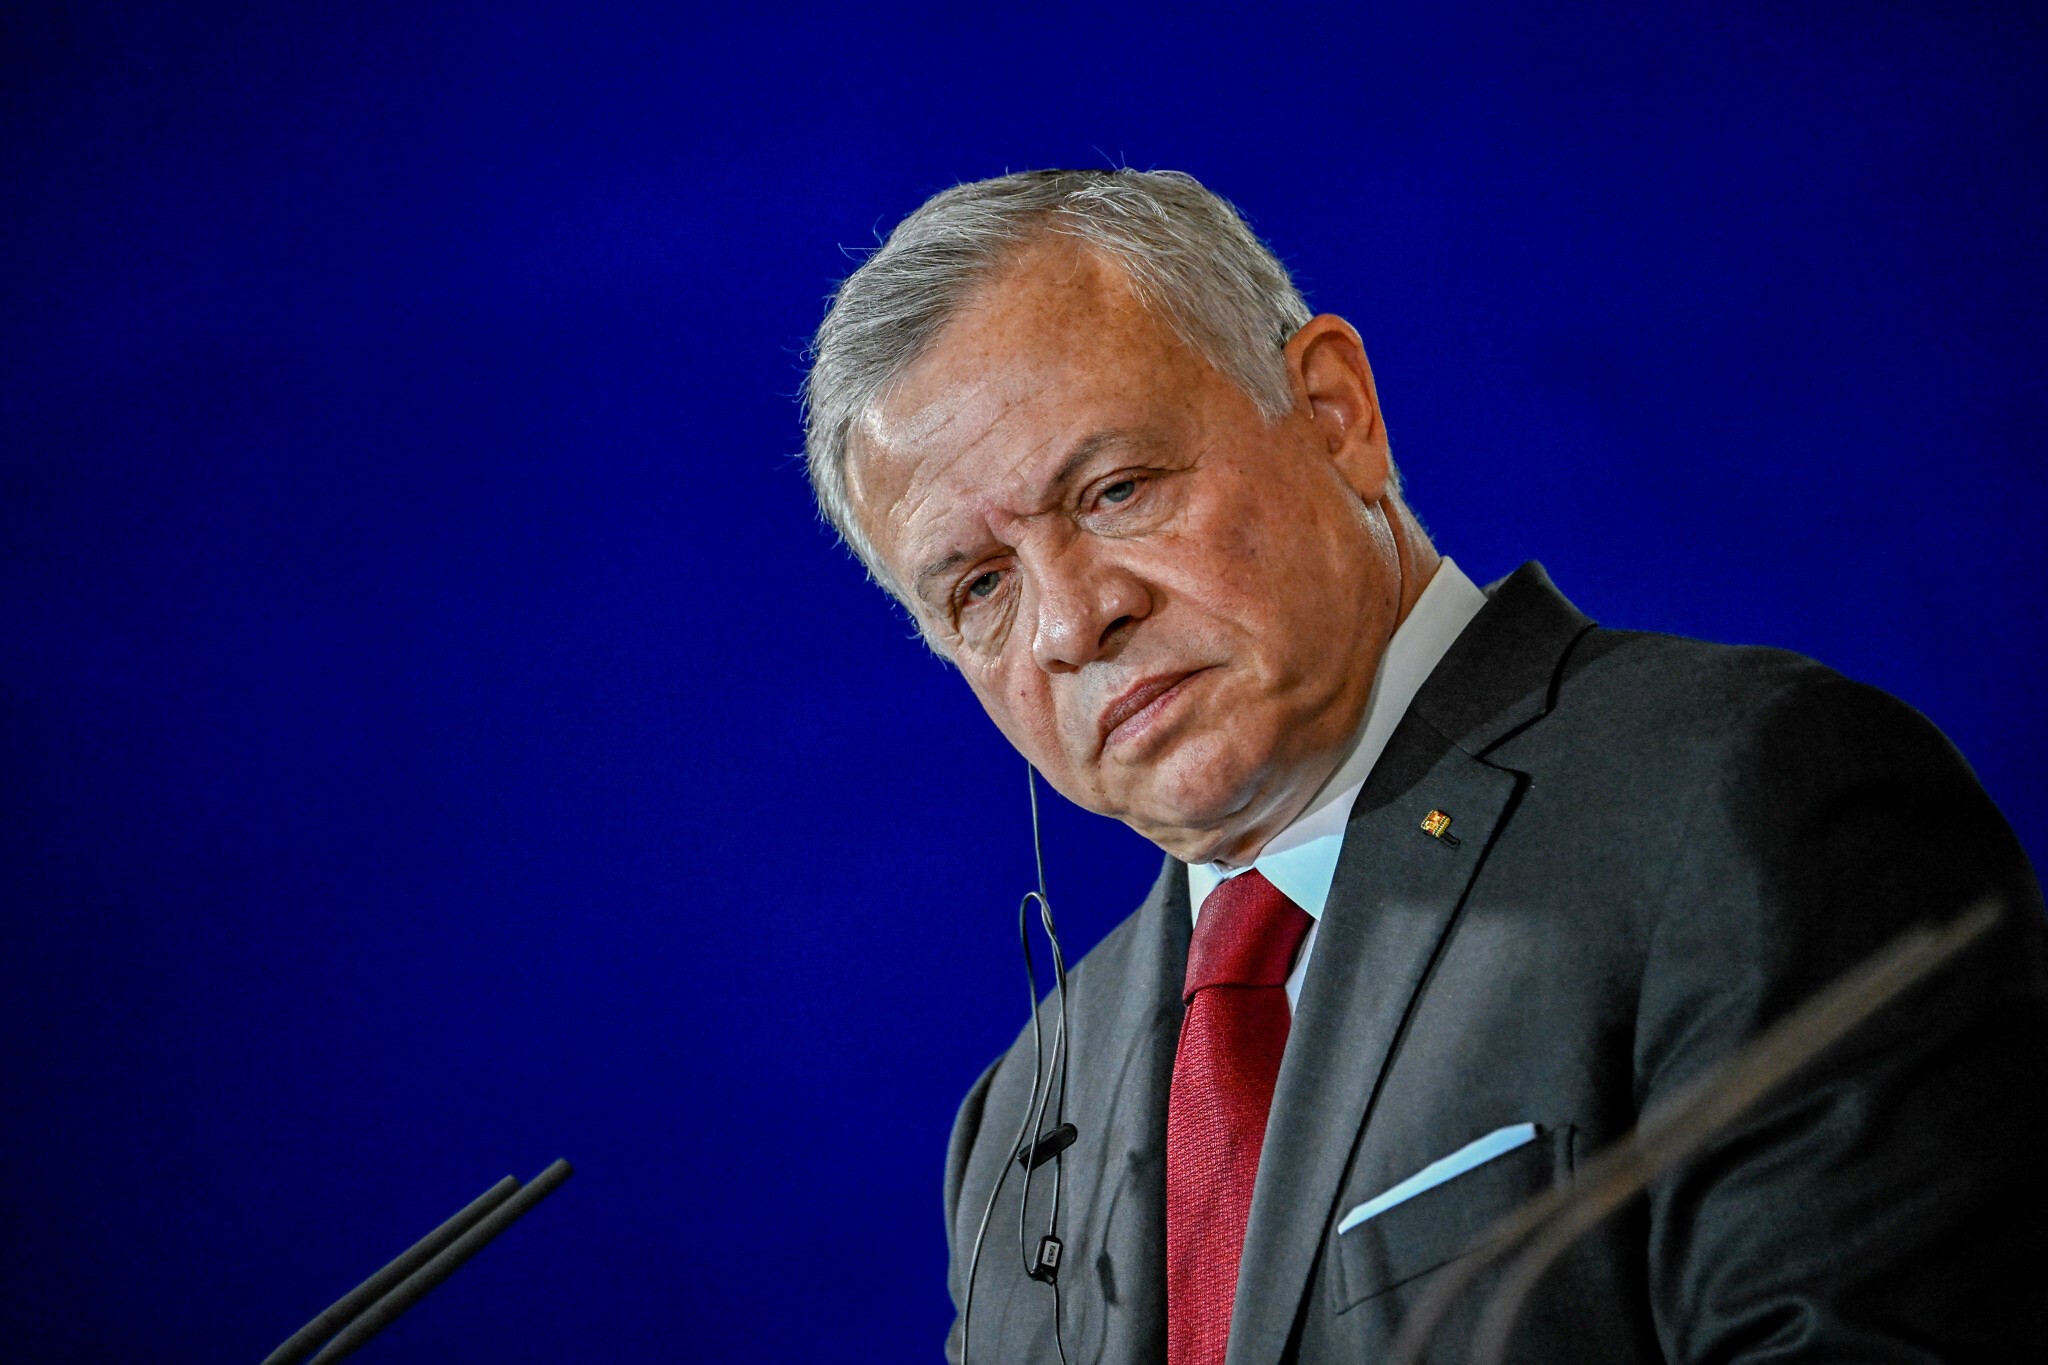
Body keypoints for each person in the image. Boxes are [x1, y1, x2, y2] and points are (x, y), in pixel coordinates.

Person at [798, 169, 2048, 1363]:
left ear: (1334, 414)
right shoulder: (1017, 1122)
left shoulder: (1749, 800)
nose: (1071, 624)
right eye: (978, 588)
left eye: (1115, 489)